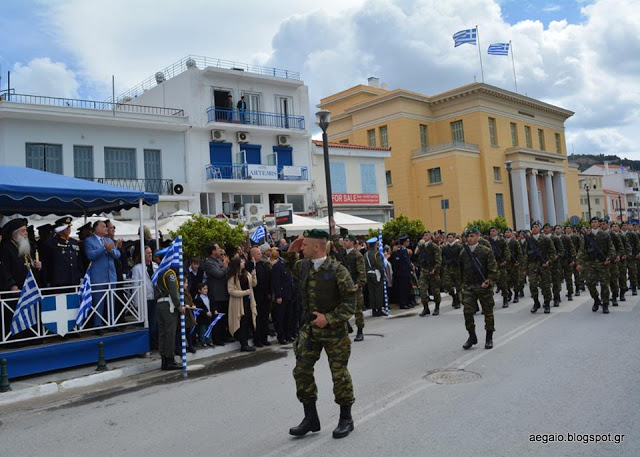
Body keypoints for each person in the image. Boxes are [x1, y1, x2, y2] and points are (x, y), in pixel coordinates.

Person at [285, 229, 356, 439]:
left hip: (335, 332)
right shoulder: (304, 266)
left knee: (339, 374)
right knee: (301, 370)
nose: (302, 248)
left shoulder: (338, 270)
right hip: (310, 330)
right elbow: (288, 267)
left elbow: (350, 304)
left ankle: (346, 418)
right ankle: (310, 418)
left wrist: (329, 318)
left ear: (317, 246)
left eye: (304, 245)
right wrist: (290, 250)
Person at [459, 226, 498, 350]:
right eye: (468, 236)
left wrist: (489, 281)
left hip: (483, 286)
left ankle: (489, 337)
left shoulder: (486, 251)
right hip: (469, 286)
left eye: (472, 236)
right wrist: (462, 286)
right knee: (467, 312)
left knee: (488, 312)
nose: (469, 239)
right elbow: (461, 271)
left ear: (478, 236)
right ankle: (472, 336)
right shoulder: (463, 252)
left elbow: (493, 271)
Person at [84, 220, 120, 332]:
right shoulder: (89, 241)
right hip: (98, 277)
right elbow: (90, 255)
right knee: (98, 302)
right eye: (103, 226)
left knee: (111, 302)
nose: (106, 228)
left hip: (111, 276)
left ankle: (112, 323)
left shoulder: (108, 240)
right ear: (96, 229)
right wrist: (104, 248)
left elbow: (117, 254)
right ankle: (97, 326)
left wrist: (110, 250)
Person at [576, 217, 616, 313]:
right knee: (590, 283)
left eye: (595, 222)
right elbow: (582, 251)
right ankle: (596, 299)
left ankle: (605, 303)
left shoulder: (605, 235)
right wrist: (579, 263)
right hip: (590, 263)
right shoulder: (586, 236)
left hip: (602, 263)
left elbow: (611, 248)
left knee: (604, 284)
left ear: (599, 224)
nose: (594, 224)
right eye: (592, 222)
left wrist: (609, 259)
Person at [153, 261, 183, 370]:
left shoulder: (159, 272)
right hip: (168, 305)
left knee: (162, 333)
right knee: (170, 333)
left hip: (160, 304)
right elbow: (174, 292)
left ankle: (164, 360)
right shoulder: (169, 273)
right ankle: (169, 359)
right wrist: (179, 306)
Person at [227, 256, 257, 352]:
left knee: (247, 321)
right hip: (238, 302)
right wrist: (244, 293)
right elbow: (231, 291)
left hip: (247, 301)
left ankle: (246, 342)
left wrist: (253, 276)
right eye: (241, 262)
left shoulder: (246, 273)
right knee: (241, 322)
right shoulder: (233, 277)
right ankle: (243, 344)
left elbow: (253, 284)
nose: (243, 263)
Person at [339, 234, 366, 341]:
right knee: (342, 309)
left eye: (346, 240)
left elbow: (362, 272)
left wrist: (359, 284)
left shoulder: (357, 255)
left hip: (355, 286)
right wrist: (332, 228)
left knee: (358, 310)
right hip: (344, 286)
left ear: (352, 242)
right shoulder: (342, 254)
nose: (344, 242)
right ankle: (347, 327)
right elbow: (336, 242)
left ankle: (360, 331)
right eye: (344, 240)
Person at [131, 245, 158, 350]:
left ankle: (154, 344)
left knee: (154, 323)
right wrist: (136, 302)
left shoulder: (155, 266)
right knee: (146, 324)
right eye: (148, 253)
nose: (150, 255)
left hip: (154, 298)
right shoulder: (137, 268)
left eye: (151, 253)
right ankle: (147, 346)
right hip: (144, 299)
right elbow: (135, 285)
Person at [525, 221, 556, 314]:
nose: (534, 228)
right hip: (532, 266)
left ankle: (547, 303)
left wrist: (548, 262)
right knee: (533, 285)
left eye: (536, 227)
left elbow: (552, 252)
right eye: (533, 227)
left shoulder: (545, 239)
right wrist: (525, 268)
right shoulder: (529, 240)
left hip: (543, 265)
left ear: (540, 228)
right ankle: (536, 302)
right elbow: (525, 254)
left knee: (545, 285)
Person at [204, 243, 230, 345]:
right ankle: (217, 338)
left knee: (224, 317)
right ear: (213, 251)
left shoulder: (219, 260)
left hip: (224, 292)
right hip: (216, 294)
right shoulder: (209, 263)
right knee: (217, 318)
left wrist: (224, 267)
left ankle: (224, 336)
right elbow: (218, 274)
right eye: (218, 249)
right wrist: (225, 266)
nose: (220, 251)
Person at [246, 246, 272, 347]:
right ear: (252, 256)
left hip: (265, 296)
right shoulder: (250, 266)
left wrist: (270, 292)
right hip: (255, 296)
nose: (260, 255)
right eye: (258, 254)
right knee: (256, 318)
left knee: (264, 318)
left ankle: (264, 338)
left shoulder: (264, 265)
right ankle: (257, 339)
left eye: (260, 253)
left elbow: (269, 279)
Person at [270, 249, 294, 344]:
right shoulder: (277, 266)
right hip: (282, 295)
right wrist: (278, 295)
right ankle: (281, 336)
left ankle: (287, 334)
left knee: (288, 316)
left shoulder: (286, 265)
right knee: (281, 317)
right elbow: (276, 282)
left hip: (289, 294)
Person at [416, 231, 442, 316]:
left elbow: (438, 260)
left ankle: (437, 307)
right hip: (424, 270)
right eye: (424, 235)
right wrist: (419, 246)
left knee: (435, 291)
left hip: (433, 271)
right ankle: (425, 308)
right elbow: (416, 254)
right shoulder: (422, 246)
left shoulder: (434, 247)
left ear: (430, 236)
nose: (425, 237)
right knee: (422, 289)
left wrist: (435, 269)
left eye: (427, 235)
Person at [364, 237, 386, 316]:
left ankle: (373, 310)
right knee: (378, 292)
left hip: (368, 273)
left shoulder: (365, 254)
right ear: (375, 244)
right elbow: (380, 265)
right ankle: (379, 309)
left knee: (371, 292)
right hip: (376, 274)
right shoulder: (377, 253)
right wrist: (383, 274)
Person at [555, 225, 576, 302]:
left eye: (558, 229)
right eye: (556, 229)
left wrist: (572, 260)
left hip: (567, 260)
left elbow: (571, 248)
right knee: (557, 278)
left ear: (561, 230)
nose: (557, 230)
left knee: (568, 278)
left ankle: (570, 292)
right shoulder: (553, 238)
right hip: (558, 261)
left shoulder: (566, 238)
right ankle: (557, 295)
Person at [442, 233, 463, 309]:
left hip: (457, 268)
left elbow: (462, 257)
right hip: (448, 267)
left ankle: (457, 300)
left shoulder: (459, 246)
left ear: (454, 238)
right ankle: (453, 296)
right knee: (447, 284)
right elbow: (442, 256)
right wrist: (446, 262)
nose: (449, 239)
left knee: (458, 286)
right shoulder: (445, 247)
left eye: (451, 237)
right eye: (448, 237)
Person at [391, 235, 412, 309]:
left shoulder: (404, 250)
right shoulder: (399, 250)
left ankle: (406, 302)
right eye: (407, 241)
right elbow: (397, 262)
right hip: (401, 273)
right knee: (402, 289)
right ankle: (403, 303)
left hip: (406, 272)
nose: (408, 243)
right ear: (404, 242)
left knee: (407, 288)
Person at [504, 228, 523, 303]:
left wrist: (518, 261)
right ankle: (509, 293)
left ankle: (516, 295)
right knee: (506, 281)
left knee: (515, 280)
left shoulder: (515, 242)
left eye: (508, 232)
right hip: (506, 264)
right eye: (506, 232)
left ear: (511, 233)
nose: (507, 233)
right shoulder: (503, 242)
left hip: (514, 263)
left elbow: (519, 253)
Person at [193, 283, 215, 347]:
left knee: (209, 328)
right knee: (203, 329)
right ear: (199, 290)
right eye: (204, 289)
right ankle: (203, 341)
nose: (206, 290)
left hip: (209, 316)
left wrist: (214, 310)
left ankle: (209, 340)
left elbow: (213, 305)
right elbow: (199, 309)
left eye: (207, 289)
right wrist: (205, 313)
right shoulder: (198, 298)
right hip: (202, 317)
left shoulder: (209, 297)